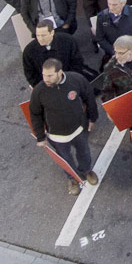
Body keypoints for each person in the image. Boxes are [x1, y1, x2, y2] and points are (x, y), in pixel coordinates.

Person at [29, 59, 100, 196]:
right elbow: (35, 114)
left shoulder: (76, 80)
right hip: (56, 136)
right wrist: (40, 136)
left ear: (60, 72)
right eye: (44, 75)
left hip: (79, 129)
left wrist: (93, 118)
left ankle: (86, 170)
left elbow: (89, 97)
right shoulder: (39, 91)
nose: (46, 79)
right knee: (65, 159)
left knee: (84, 152)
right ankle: (72, 178)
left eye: (50, 75)